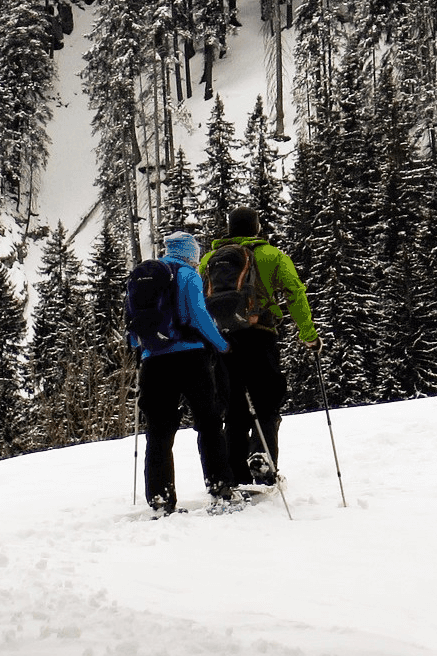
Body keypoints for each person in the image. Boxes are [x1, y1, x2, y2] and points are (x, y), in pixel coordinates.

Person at [205, 208, 317, 486]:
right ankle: (261, 458)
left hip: (223, 341)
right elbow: (295, 292)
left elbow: (199, 302)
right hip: (260, 335)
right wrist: (309, 334)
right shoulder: (271, 255)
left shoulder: (209, 260)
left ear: (229, 228)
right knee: (267, 400)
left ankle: (236, 475)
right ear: (256, 227)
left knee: (234, 408)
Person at [130, 231, 236, 515]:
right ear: (190, 251)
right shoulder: (188, 275)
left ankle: (161, 499)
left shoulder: (145, 276)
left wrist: (145, 348)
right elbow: (200, 315)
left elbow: (134, 326)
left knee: (159, 431)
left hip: (153, 361)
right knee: (209, 422)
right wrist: (222, 344)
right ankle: (220, 487)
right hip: (190, 358)